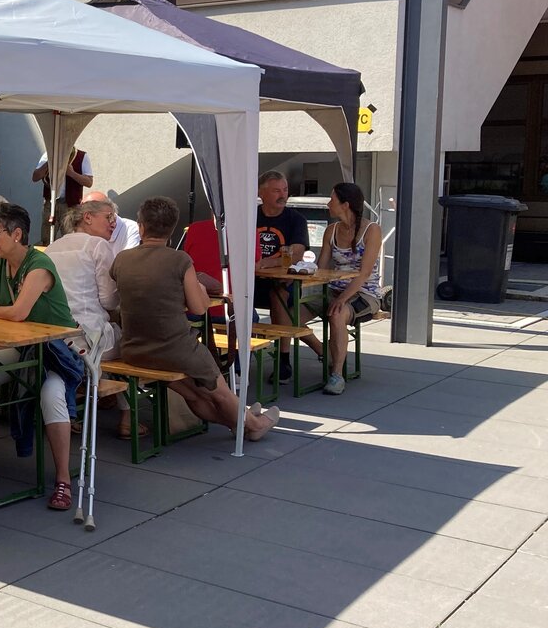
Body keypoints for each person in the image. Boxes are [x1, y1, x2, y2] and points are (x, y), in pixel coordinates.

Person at [114, 196, 279, 444]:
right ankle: (253, 424)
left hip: (134, 349)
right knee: (219, 392)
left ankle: (240, 422)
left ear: (141, 226)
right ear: (171, 230)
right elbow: (199, 309)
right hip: (175, 349)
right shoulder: (179, 261)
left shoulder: (121, 260)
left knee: (195, 395)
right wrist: (199, 288)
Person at [0, 202, 81, 510]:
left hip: (56, 351)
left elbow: (18, 312)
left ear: (17, 234)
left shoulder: (39, 265)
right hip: (23, 349)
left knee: (51, 396)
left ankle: (63, 480)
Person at [302, 182, 383, 396]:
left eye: (332, 200)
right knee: (290, 315)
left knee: (337, 314)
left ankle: (336, 375)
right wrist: (301, 276)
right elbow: (322, 268)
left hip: (365, 292)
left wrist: (342, 299)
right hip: (334, 289)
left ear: (345, 204)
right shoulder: (331, 230)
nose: (328, 204)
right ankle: (324, 352)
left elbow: (364, 274)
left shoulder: (371, 230)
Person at [46, 198, 122, 362]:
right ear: (87, 217)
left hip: (53, 336)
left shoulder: (51, 248)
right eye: (109, 217)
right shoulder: (98, 245)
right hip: (88, 337)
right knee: (136, 344)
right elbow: (109, 301)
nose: (114, 224)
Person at [254, 170, 309, 378]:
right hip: (251, 280)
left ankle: (283, 360)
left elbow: (297, 252)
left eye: (285, 190)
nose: (283, 195)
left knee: (278, 292)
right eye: (276, 190)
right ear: (261, 193)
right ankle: (232, 355)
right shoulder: (250, 216)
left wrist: (269, 263)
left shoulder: (296, 219)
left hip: (282, 283)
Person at [33, 146, 92, 243]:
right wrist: (49, 163)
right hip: (50, 204)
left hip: (71, 206)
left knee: (71, 239)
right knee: (46, 238)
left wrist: (72, 173)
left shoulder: (82, 156)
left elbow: (89, 182)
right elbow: (35, 177)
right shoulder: (48, 155)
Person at [83, 190, 140, 257]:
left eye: (110, 216)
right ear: (88, 218)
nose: (113, 224)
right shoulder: (82, 232)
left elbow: (126, 264)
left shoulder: (131, 230)